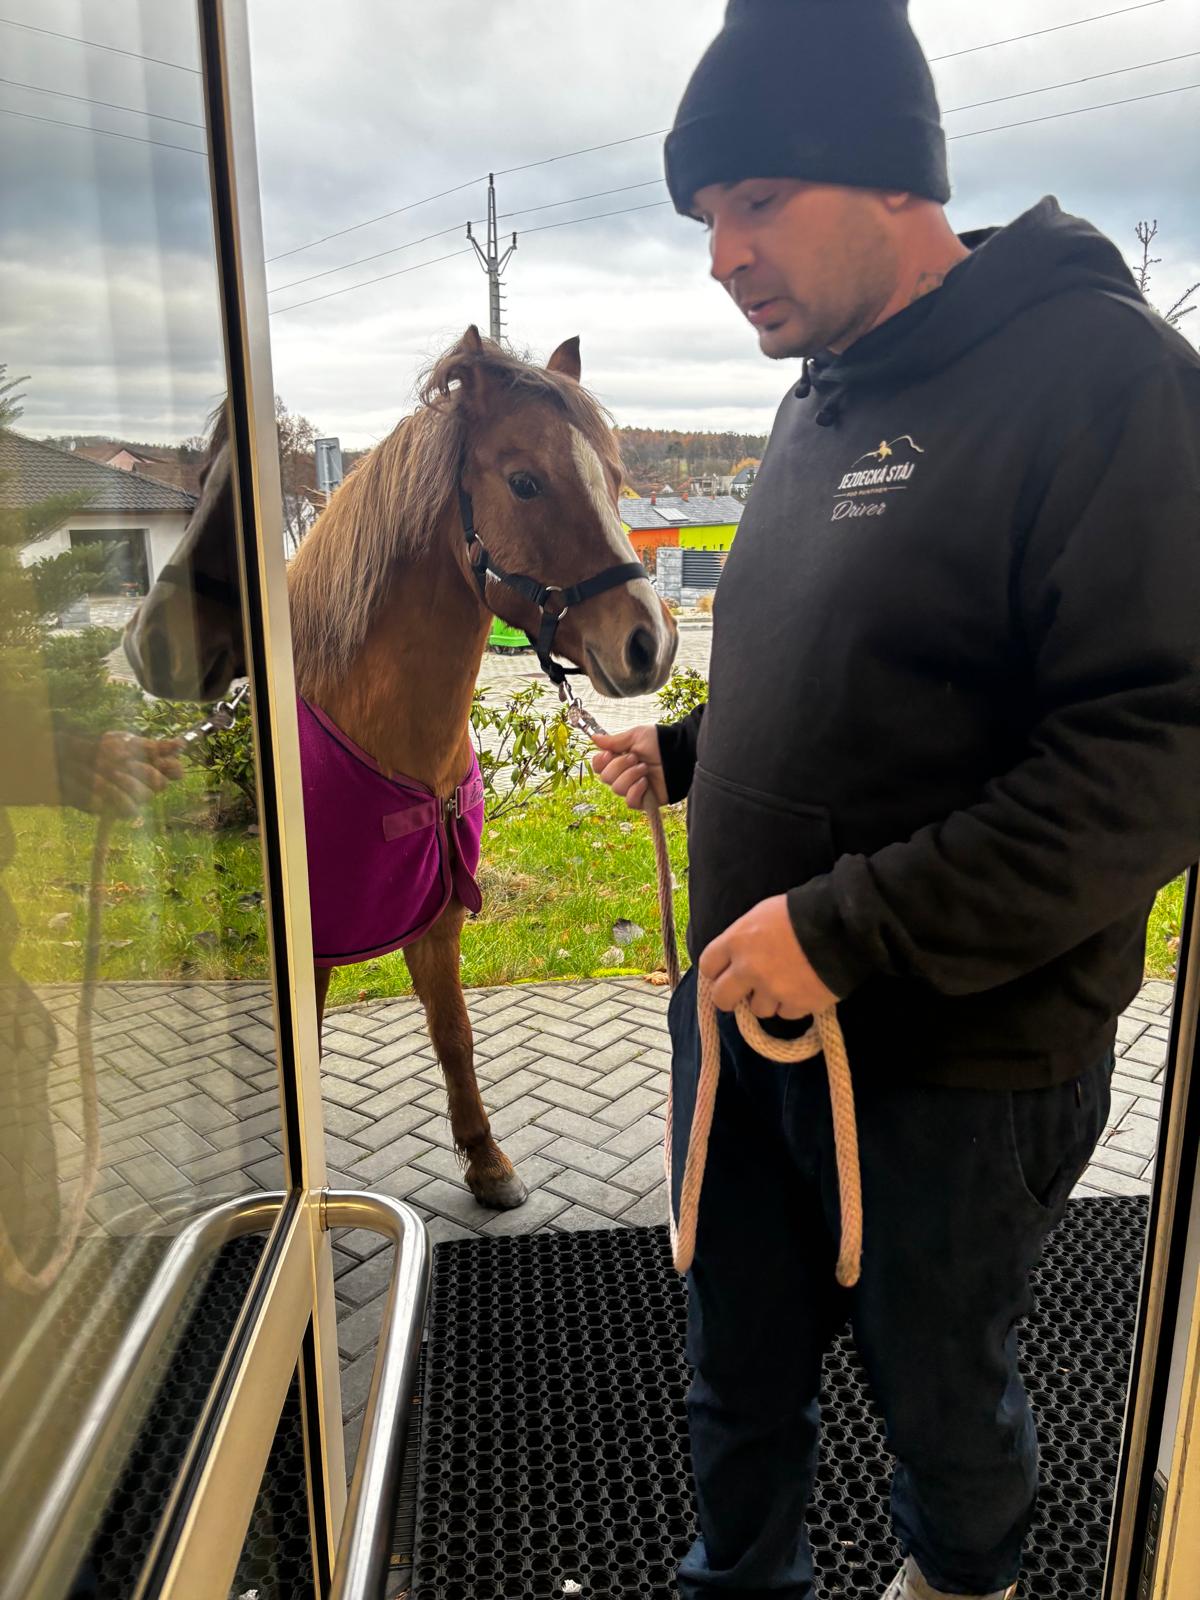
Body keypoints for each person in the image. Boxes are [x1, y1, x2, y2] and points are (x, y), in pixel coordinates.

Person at [590, 2, 1200, 1597]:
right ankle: (740, 1578)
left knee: (943, 1398)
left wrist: (846, 930)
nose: (722, 256)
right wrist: (695, 753)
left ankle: (957, 1579)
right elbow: (859, 660)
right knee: (735, 1368)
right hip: (746, 1024)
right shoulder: (820, 392)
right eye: (705, 217)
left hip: (953, 1068)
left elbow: (1155, 752)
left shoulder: (1109, 381)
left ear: (892, 177)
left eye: (756, 200)